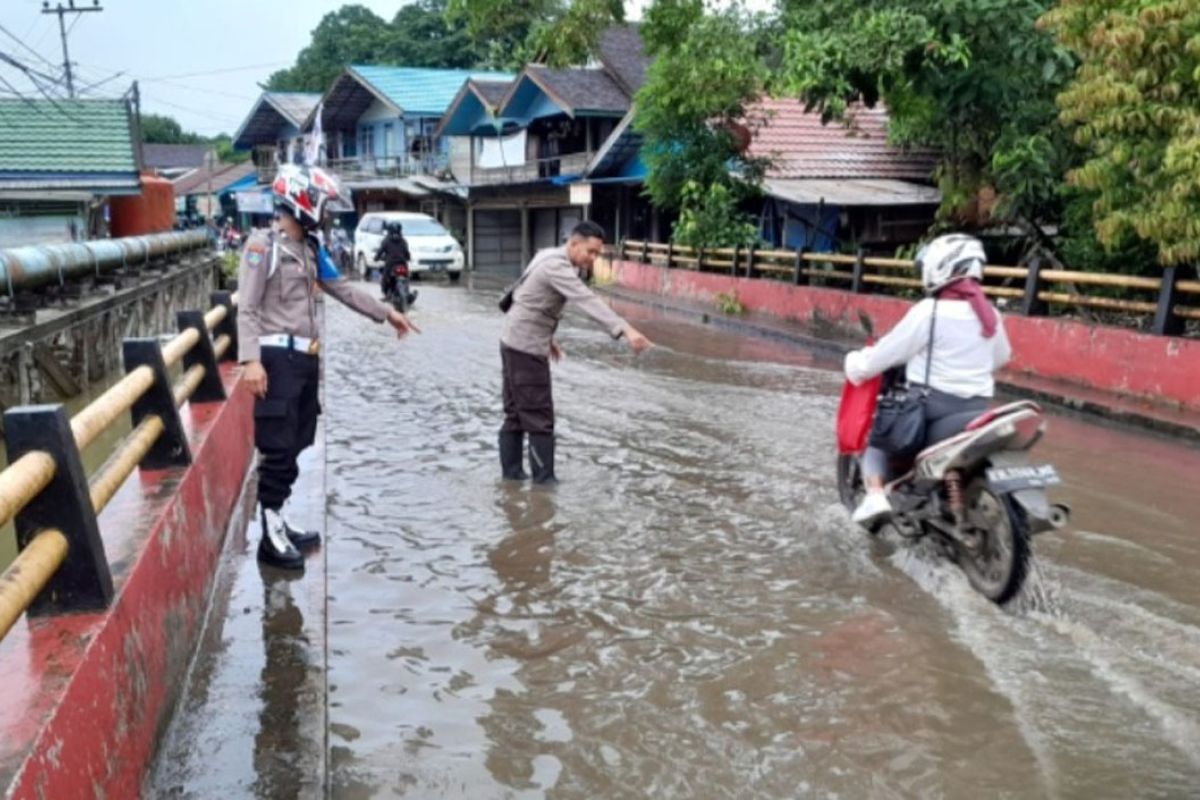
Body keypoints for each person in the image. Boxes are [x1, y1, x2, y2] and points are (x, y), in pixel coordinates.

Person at [238, 164, 420, 569]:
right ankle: (270, 536)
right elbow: (247, 308)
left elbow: (341, 289)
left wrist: (387, 313)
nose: (327, 216)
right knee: (278, 448)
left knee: (300, 440)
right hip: (276, 360)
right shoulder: (262, 246)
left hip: (305, 360)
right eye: (322, 207)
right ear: (303, 202)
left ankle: (279, 521)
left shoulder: (309, 249)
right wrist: (250, 360)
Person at [843, 233, 1012, 525]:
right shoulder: (989, 313)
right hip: (977, 409)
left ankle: (874, 495)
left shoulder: (929, 312)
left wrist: (855, 364)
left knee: (879, 438)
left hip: (931, 408)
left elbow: (885, 355)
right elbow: (999, 358)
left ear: (941, 267)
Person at [499, 220, 652, 484]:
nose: (593, 259)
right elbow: (586, 299)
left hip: (513, 340)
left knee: (515, 414)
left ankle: (511, 479)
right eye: (590, 252)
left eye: (597, 254)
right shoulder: (557, 266)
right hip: (526, 347)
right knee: (539, 418)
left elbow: (526, 295)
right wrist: (626, 329)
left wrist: (548, 338)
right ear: (574, 243)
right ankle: (544, 485)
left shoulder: (546, 254)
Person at [374, 221, 412, 302]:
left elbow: (380, 252)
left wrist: (376, 258)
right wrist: (408, 258)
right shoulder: (403, 241)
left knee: (385, 278)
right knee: (406, 277)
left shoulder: (386, 241)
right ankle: (406, 292)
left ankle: (386, 294)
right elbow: (407, 253)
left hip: (390, 265)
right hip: (402, 264)